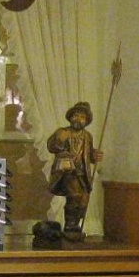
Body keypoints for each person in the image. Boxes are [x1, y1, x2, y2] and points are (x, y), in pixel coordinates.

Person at [47, 101, 103, 241]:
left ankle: (76, 225)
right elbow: (52, 147)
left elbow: (89, 155)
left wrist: (95, 155)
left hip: (83, 174)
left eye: (82, 117)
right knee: (74, 196)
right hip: (68, 172)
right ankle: (70, 226)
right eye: (76, 116)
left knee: (83, 200)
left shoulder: (87, 136)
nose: (78, 119)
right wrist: (60, 139)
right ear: (70, 117)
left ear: (87, 121)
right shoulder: (63, 132)